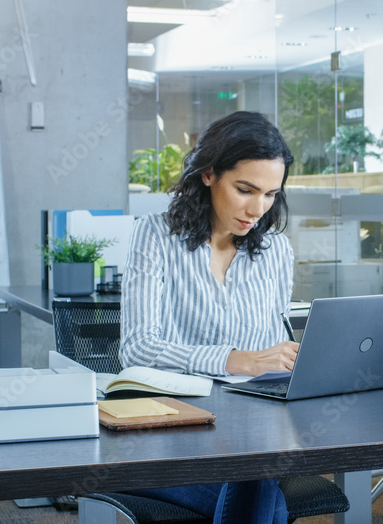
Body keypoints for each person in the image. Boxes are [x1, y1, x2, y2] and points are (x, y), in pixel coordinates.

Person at [119, 110, 296, 523]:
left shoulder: (275, 252)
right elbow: (137, 348)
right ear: (208, 174)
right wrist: (232, 359)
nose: (258, 208)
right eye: (245, 189)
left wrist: (290, 362)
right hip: (168, 429)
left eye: (271, 194)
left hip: (247, 430)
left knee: (257, 480)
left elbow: (269, 352)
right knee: (264, 491)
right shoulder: (156, 236)